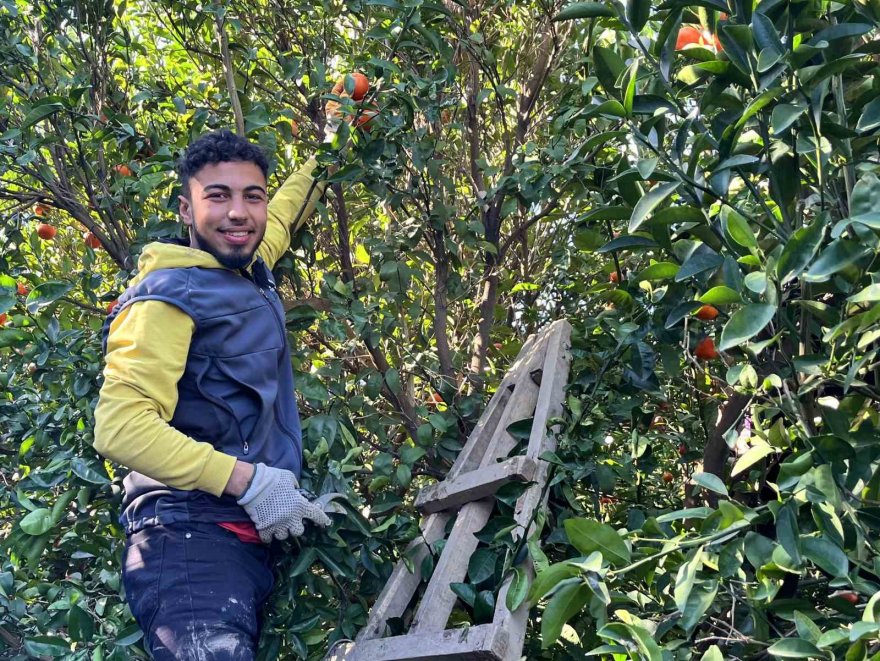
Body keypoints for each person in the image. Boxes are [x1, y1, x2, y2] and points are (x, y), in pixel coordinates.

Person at [93, 125, 338, 659]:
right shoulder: (165, 297)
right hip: (187, 543)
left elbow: (287, 214)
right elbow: (119, 426)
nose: (238, 213)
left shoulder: (248, 265)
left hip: (237, 542)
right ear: (186, 210)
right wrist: (248, 482)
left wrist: (331, 141)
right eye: (218, 196)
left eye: (252, 196)